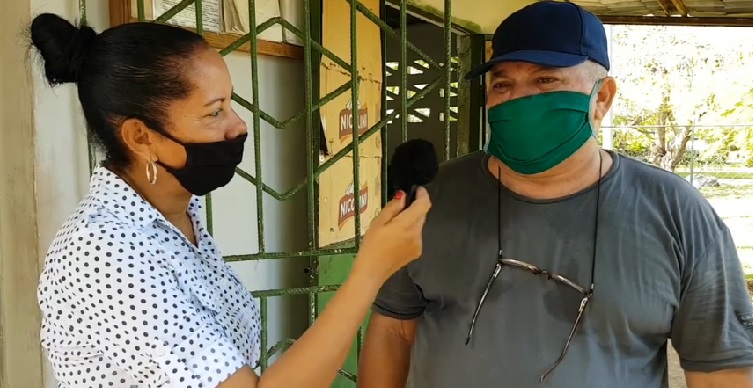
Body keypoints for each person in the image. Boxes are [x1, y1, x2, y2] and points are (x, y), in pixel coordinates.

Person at [357, 2, 753, 388]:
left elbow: (721, 368)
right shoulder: (429, 201)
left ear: (602, 98)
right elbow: (394, 332)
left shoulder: (677, 213)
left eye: (546, 81)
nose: (519, 98)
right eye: (502, 84)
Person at [30, 13, 431, 388]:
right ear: (140, 137)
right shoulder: (104, 252)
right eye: (214, 112)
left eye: (230, 103)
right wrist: (369, 272)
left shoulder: (177, 217)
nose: (238, 125)